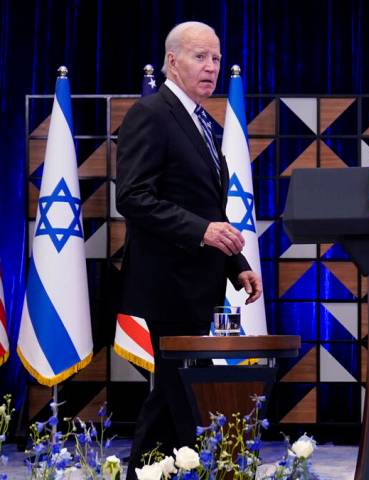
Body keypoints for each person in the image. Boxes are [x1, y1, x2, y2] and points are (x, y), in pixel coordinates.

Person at [115, 21, 262, 478]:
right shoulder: (151, 113)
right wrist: (203, 232)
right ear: (172, 61)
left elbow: (207, 207)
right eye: (201, 57)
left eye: (216, 58)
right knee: (181, 393)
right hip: (168, 284)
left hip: (198, 285)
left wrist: (237, 263)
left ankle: (150, 471)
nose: (212, 66)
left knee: (173, 395)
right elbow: (133, 197)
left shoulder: (204, 122)